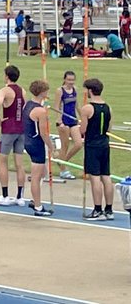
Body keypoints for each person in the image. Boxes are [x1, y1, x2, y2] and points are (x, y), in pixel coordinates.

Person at [78, 78, 114, 220]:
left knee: (95, 178)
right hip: (104, 144)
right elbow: (109, 128)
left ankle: (98, 210)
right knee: (106, 176)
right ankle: (109, 210)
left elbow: (83, 130)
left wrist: (81, 126)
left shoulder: (87, 108)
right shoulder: (108, 107)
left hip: (92, 145)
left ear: (90, 91)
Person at [0, 64, 27, 206]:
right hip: (21, 127)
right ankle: (20, 196)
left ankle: (5, 195)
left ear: (6, 76)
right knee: (19, 163)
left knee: (2, 162)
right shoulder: (22, 90)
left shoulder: (4, 90)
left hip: (8, 128)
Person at [23, 80, 52, 217]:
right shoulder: (40, 111)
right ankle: (38, 206)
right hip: (36, 143)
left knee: (41, 174)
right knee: (36, 176)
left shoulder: (27, 105)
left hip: (28, 141)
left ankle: (36, 200)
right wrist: (51, 147)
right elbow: (44, 133)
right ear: (42, 92)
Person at [54, 70, 81, 179]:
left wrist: (83, 118)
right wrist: (60, 120)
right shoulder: (60, 91)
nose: (71, 82)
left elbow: (77, 105)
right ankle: (63, 171)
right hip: (63, 121)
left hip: (73, 120)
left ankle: (63, 162)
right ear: (64, 79)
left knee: (78, 144)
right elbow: (56, 107)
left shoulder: (75, 90)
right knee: (65, 146)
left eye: (72, 80)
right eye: (69, 80)